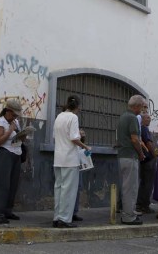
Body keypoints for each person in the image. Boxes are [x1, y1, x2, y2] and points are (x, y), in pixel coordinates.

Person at [53, 95, 89, 228]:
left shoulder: (59, 116)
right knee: (69, 190)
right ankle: (64, 219)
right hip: (70, 159)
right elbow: (74, 138)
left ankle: (57, 217)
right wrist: (85, 146)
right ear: (78, 107)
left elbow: (55, 136)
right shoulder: (73, 117)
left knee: (59, 189)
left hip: (58, 158)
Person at [0, 99, 24, 224]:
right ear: (8, 111)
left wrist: (22, 134)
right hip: (4, 153)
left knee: (12, 184)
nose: (15, 117)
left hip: (16, 153)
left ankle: (7, 211)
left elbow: (17, 138)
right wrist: (10, 130)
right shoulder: (0, 122)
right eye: (14, 114)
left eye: (16, 115)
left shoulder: (15, 122)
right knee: (2, 184)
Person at [117, 95, 146, 225]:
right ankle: (129, 216)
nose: (142, 109)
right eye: (142, 106)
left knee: (126, 186)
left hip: (122, 155)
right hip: (130, 156)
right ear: (137, 106)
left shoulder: (123, 117)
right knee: (131, 187)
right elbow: (135, 139)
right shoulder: (132, 118)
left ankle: (129, 212)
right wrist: (141, 153)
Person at [135, 112, 156, 215]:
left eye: (150, 118)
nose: (149, 120)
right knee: (148, 183)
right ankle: (145, 205)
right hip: (148, 159)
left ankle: (140, 204)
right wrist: (155, 155)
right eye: (147, 118)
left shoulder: (140, 129)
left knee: (144, 182)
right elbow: (148, 143)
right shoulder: (144, 129)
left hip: (144, 160)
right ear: (142, 119)